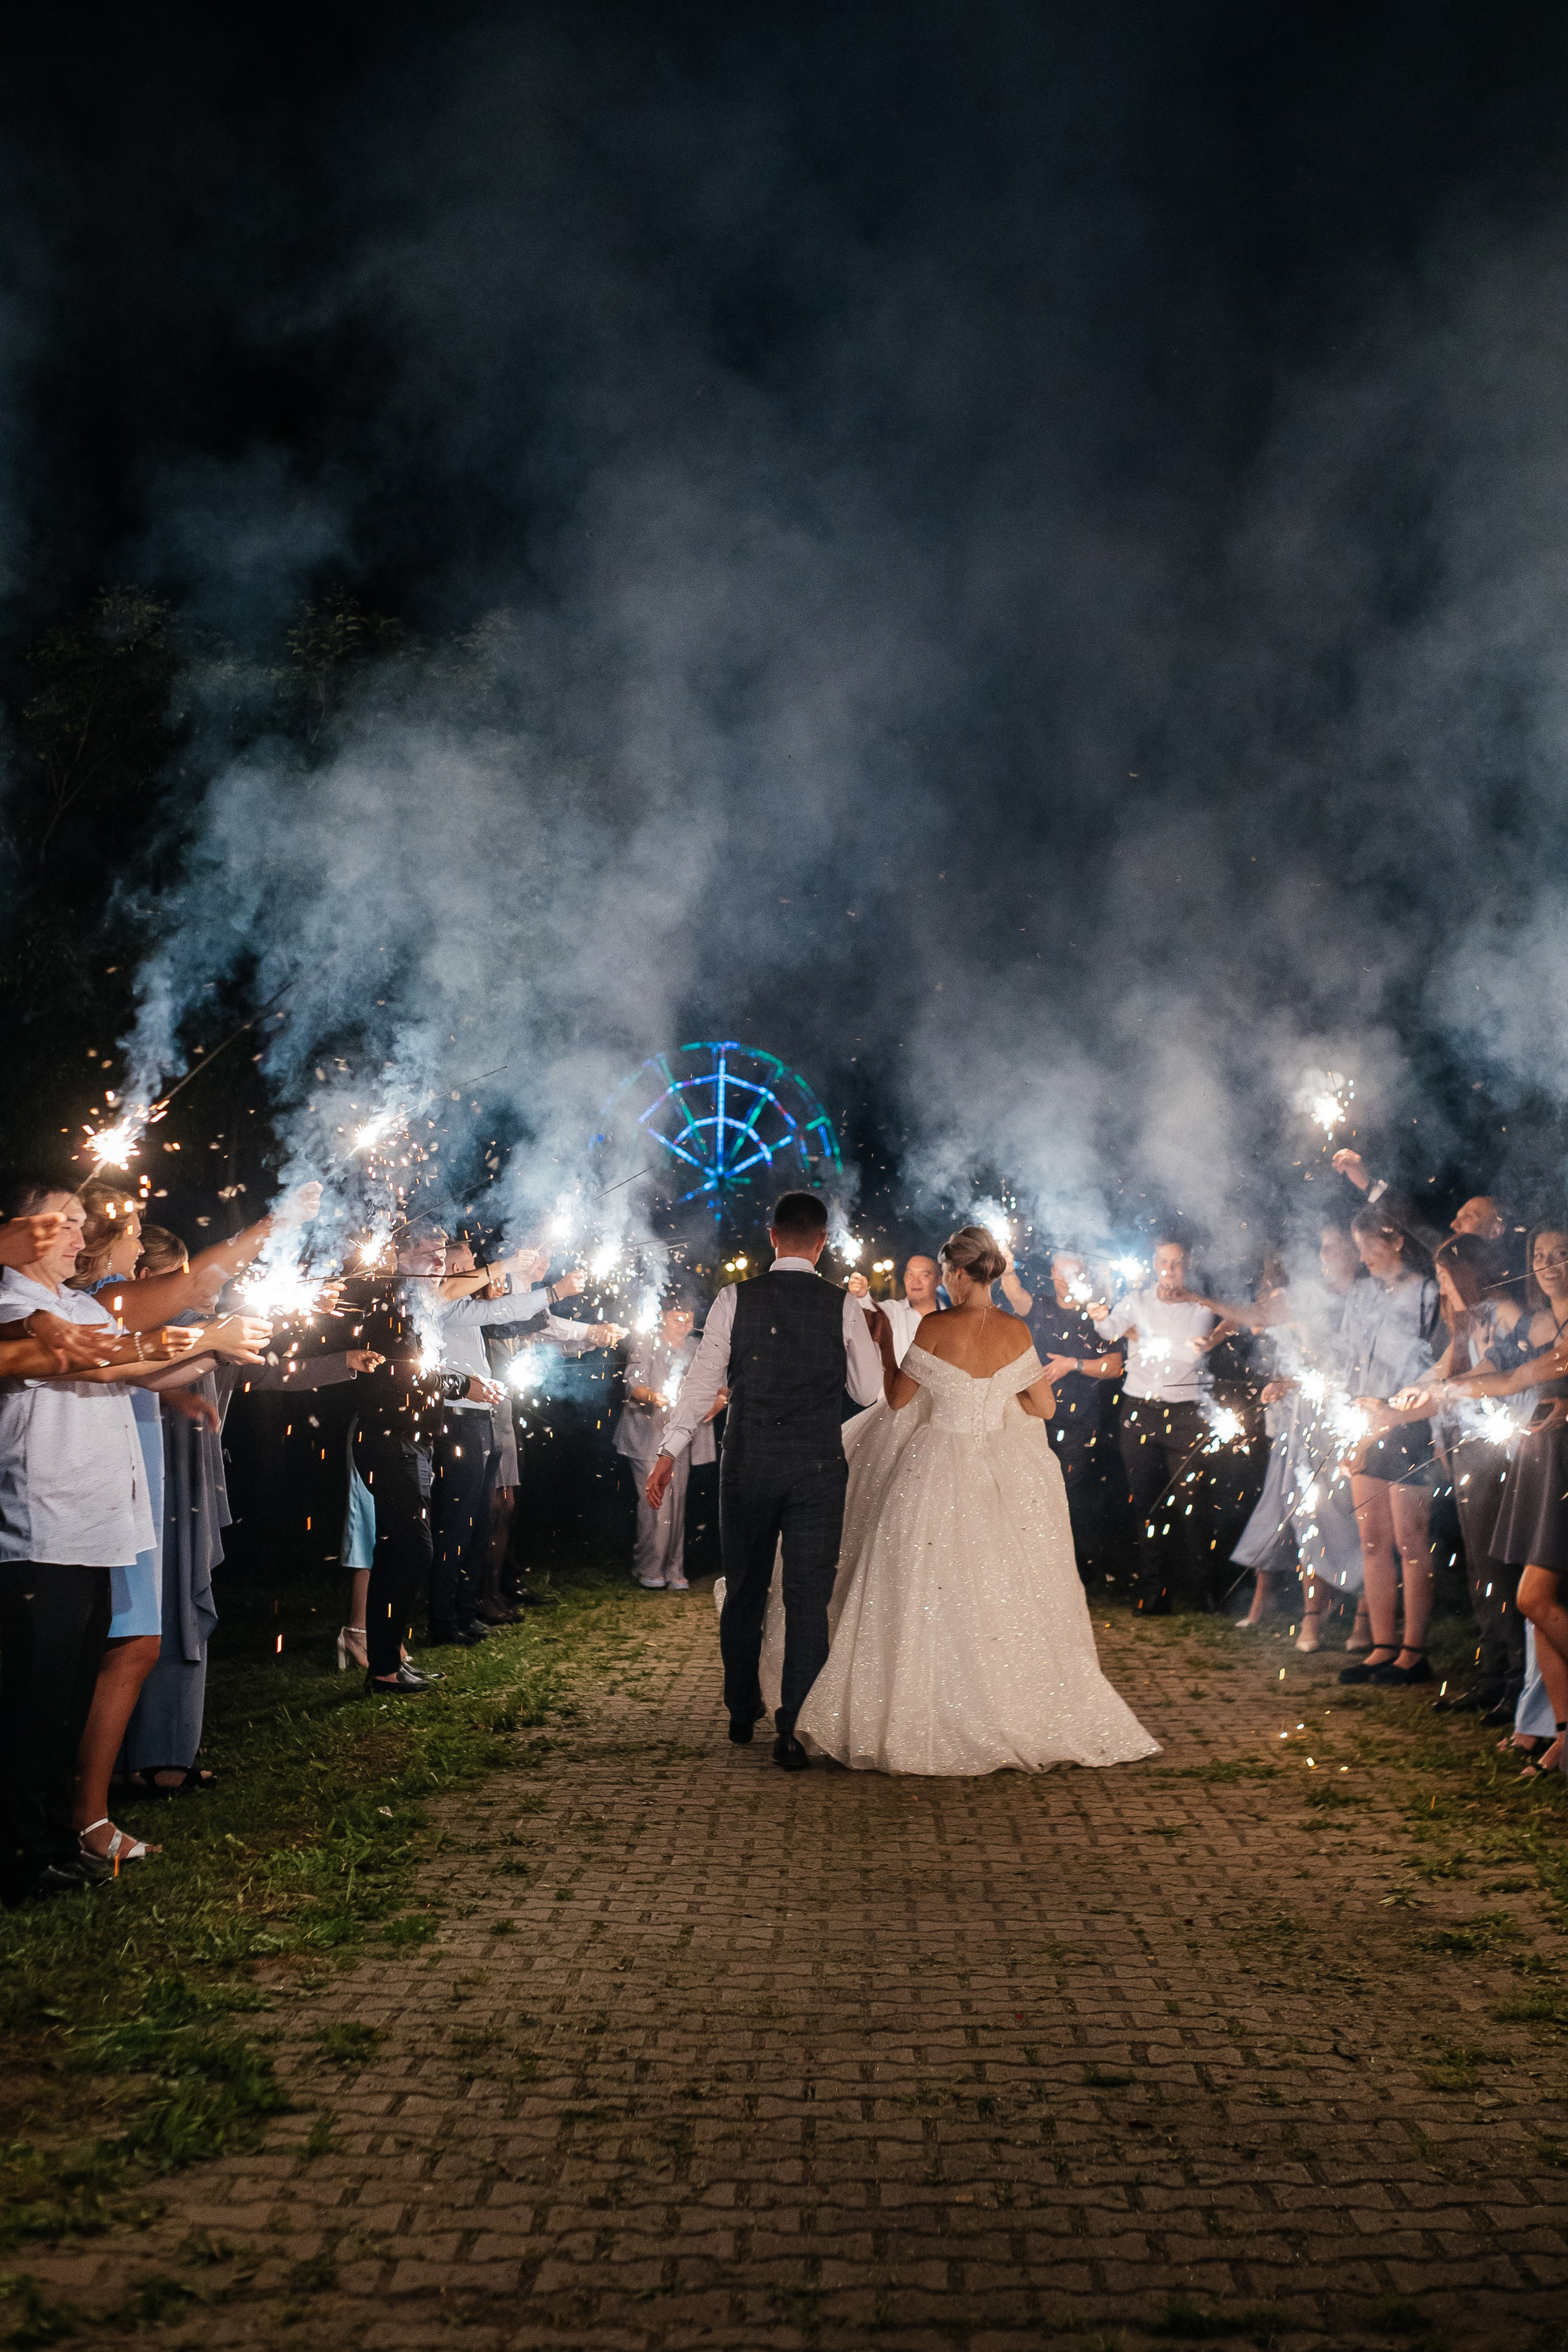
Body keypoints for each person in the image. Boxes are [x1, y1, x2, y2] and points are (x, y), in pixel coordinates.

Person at [794, 1226, 1158, 1775]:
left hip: (935, 1464)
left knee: (918, 1582)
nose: (943, 1280)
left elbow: (896, 1398)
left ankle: (918, 1713)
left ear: (961, 1273)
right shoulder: (1015, 1330)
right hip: (996, 1473)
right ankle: (1005, 1708)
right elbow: (1045, 1408)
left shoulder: (937, 1326)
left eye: (945, 1272)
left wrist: (884, 1344)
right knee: (997, 1584)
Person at [0, 1181, 200, 1898]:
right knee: (30, 1706)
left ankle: (55, 1839)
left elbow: (123, 1361)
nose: (83, 1242)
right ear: (27, 1228)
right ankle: (19, 1859)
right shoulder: (9, 1295)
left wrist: (211, 1342)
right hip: (38, 1530)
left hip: (89, 1532)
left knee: (63, 1702)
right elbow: (66, 1354)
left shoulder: (78, 1302)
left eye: (85, 1226)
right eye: (70, 1225)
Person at [646, 1190, 883, 1770]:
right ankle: (794, 1729)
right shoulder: (841, 1305)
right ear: (822, 1243)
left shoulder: (734, 1299)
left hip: (748, 1463)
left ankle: (740, 1707)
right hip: (817, 1468)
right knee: (807, 1598)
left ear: (772, 1236)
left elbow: (702, 1383)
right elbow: (869, 1392)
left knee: (746, 1589)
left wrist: (670, 1449)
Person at [342, 1219, 508, 1696]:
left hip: (411, 1439)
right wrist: (464, 1385)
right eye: (428, 1253)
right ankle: (384, 1665)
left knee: (399, 1549)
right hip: (388, 1440)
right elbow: (402, 1373)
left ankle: (387, 1660)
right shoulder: (393, 1300)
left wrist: (459, 1378)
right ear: (400, 1256)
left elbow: (425, 1367)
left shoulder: (416, 1303)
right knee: (412, 1548)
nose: (439, 1261)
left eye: (442, 1253)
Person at [1333, 1205, 1442, 1687]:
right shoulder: (1360, 1294)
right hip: (1365, 1421)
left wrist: (1396, 1405)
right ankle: (1382, 1646)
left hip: (1408, 1423)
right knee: (1372, 1538)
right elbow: (1348, 1356)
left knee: (1410, 1540)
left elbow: (1438, 1362)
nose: (1362, 1257)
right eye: (1356, 1248)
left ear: (1395, 1240)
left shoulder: (1427, 1292)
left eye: (1368, 1246)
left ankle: (1413, 1651)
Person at [1092, 1239, 1220, 1611]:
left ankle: (1204, 1592)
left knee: (1193, 1505)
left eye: (1177, 1263)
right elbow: (1109, 1331)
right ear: (1153, 1264)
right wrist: (1102, 1317)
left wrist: (1139, 1337)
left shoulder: (1199, 1306)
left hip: (1185, 1414)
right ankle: (1154, 1592)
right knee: (1147, 1506)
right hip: (1139, 1411)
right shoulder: (1137, 1299)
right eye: (1163, 1262)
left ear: (1187, 1266)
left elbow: (1186, 1355)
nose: (1169, 1270)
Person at [993, 1247, 1126, 1582]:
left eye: (1074, 1274)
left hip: (1080, 1421)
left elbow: (1115, 1366)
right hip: (1033, 1417)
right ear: (1052, 1274)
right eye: (1061, 1273)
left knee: (1070, 1491)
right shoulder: (1041, 1307)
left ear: (1084, 1275)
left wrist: (1073, 1364)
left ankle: (1078, 1571)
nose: (1067, 1281)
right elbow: (1018, 1297)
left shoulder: (1097, 1315)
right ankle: (1034, 1567)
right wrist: (1007, 1269)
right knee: (1030, 1489)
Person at [614, 1292, 726, 1589]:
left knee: (678, 1502)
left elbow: (721, 1381)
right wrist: (651, 1396)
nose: (684, 1322)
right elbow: (632, 1382)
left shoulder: (696, 1347)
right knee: (656, 1501)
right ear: (664, 1316)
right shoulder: (647, 1343)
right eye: (678, 1316)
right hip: (648, 1435)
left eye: (689, 1317)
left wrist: (721, 1399)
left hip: (684, 1436)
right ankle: (648, 1566)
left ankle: (674, 1567)